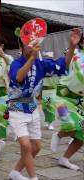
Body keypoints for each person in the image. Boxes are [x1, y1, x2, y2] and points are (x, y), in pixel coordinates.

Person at [7, 29, 80, 180]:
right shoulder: (16, 63)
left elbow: (62, 66)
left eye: (35, 43)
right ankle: (34, 178)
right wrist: (31, 59)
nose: (33, 46)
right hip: (16, 108)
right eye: (29, 44)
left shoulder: (42, 64)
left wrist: (72, 47)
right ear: (21, 46)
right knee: (26, 146)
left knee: (37, 147)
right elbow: (19, 77)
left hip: (32, 108)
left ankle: (15, 172)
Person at [50, 31, 84, 171]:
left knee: (82, 135)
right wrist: (71, 46)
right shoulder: (76, 55)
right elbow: (65, 64)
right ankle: (58, 134)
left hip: (78, 100)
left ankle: (64, 159)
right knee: (70, 124)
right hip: (62, 96)